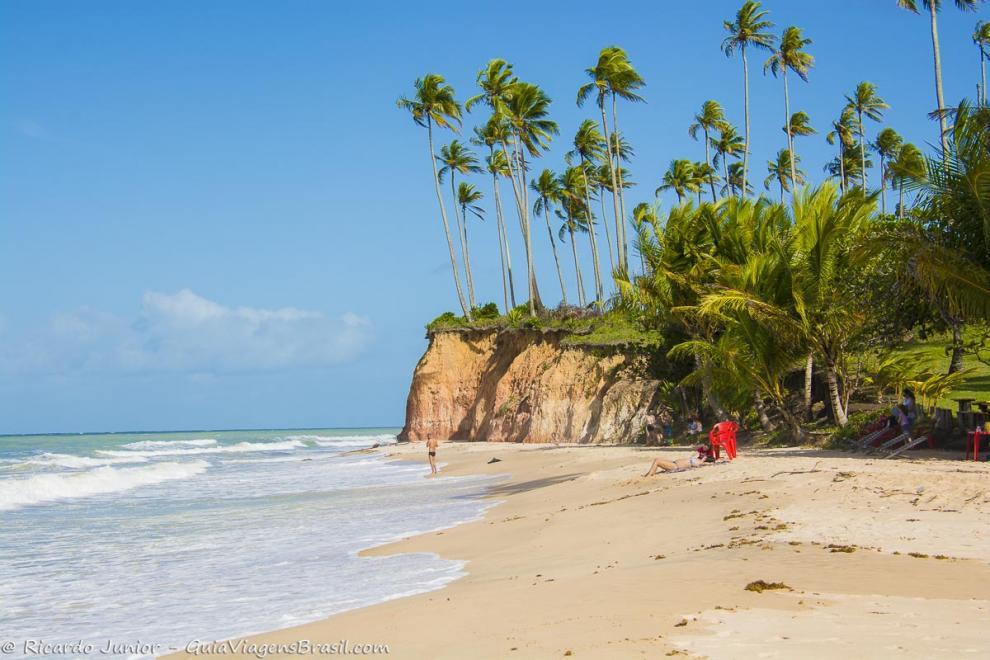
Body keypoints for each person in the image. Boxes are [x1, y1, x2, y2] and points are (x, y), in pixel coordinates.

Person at [643, 443, 720, 477]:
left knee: (657, 461)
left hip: (675, 466)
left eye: (705, 456)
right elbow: (696, 451)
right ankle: (649, 474)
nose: (704, 455)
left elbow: (711, 463)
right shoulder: (697, 458)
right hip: (673, 463)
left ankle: (649, 476)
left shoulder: (700, 463)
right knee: (658, 459)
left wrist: (707, 459)